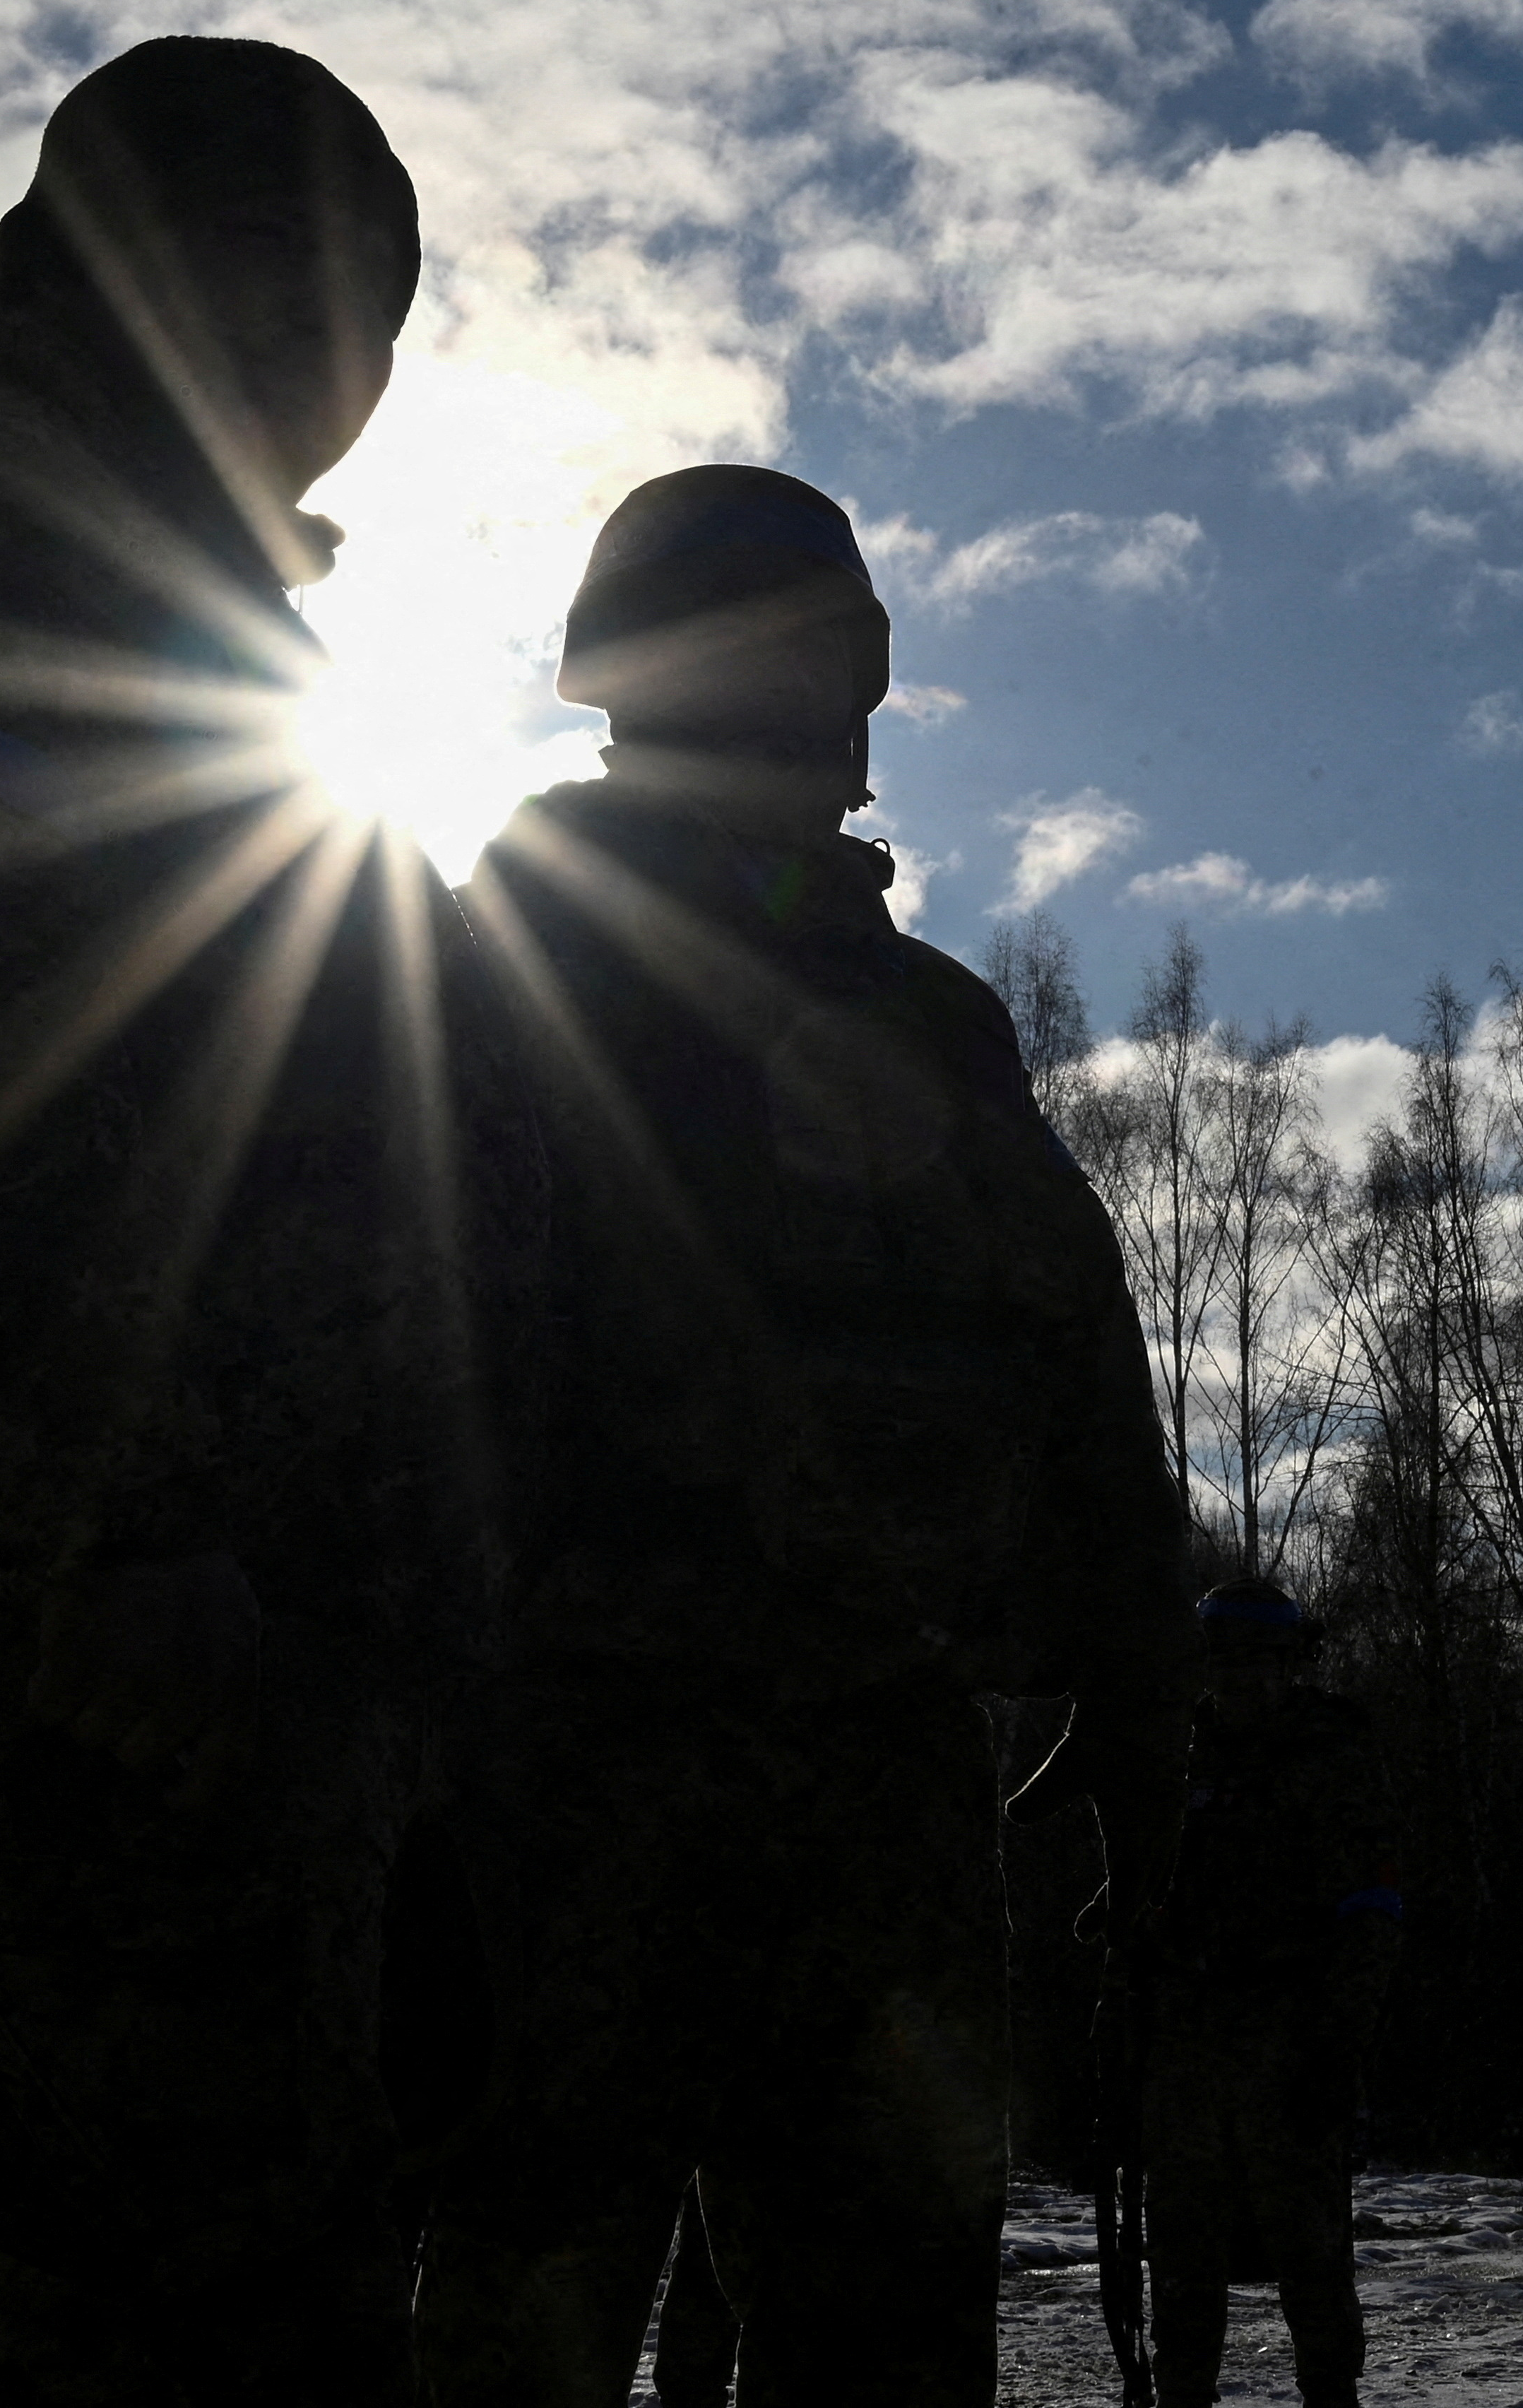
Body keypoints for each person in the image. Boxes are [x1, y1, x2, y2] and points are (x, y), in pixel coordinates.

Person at [0, 36, 545, 2408]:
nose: (354, 386)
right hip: (41, 1622)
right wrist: (131, 1532)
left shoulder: (181, 610)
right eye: (340, 314)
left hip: (229, 1629)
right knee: (167, 2324)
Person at [413, 465, 1193, 2407]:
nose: (806, 703)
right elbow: (395, 1355)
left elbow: (1070, 1352)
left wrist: (1135, 1693)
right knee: (533, 2315)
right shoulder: (494, 966)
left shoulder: (928, 1020)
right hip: (574, 1771)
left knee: (876, 2337)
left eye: (817, 659)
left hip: (866, 1792)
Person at [1135, 1581, 1399, 2408]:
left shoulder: (1331, 1755)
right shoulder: (1180, 1752)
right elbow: (1144, 1895)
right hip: (1187, 2046)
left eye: (1260, 1661)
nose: (1243, 1678)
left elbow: (1370, 1910)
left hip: (1293, 2041)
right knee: (1181, 2264)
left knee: (1313, 2262)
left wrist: (1335, 2040)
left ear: (1290, 1664)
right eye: (1226, 1661)